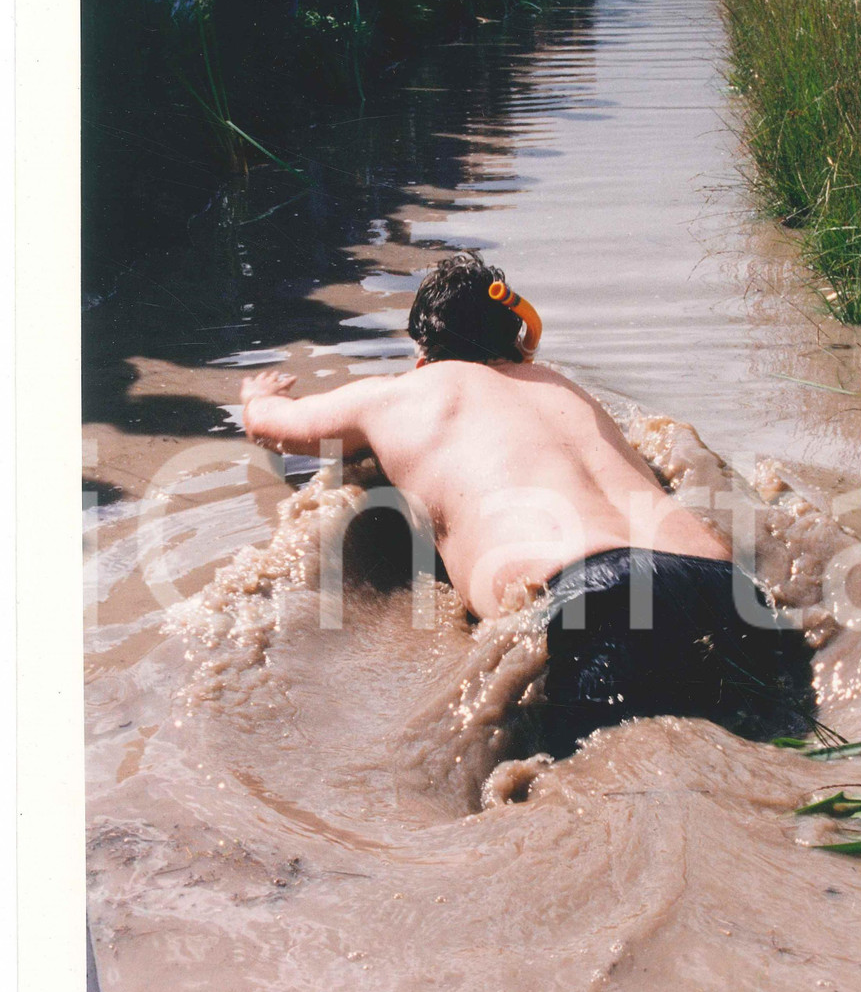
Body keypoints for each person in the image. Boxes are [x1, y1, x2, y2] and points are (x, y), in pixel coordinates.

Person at [240, 252, 813, 756]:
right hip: (724, 590)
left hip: (596, 598)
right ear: (516, 341)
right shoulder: (563, 387)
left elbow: (278, 428)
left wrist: (256, 398)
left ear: (422, 356)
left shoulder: (400, 395)